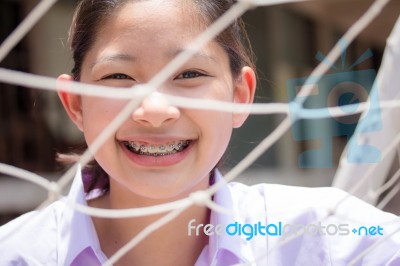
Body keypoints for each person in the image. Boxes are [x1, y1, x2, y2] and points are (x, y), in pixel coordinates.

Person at [0, 0, 399, 265]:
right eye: (118, 76)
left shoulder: (325, 236)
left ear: (240, 96)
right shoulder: (17, 253)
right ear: (75, 104)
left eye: (189, 74)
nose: (154, 112)